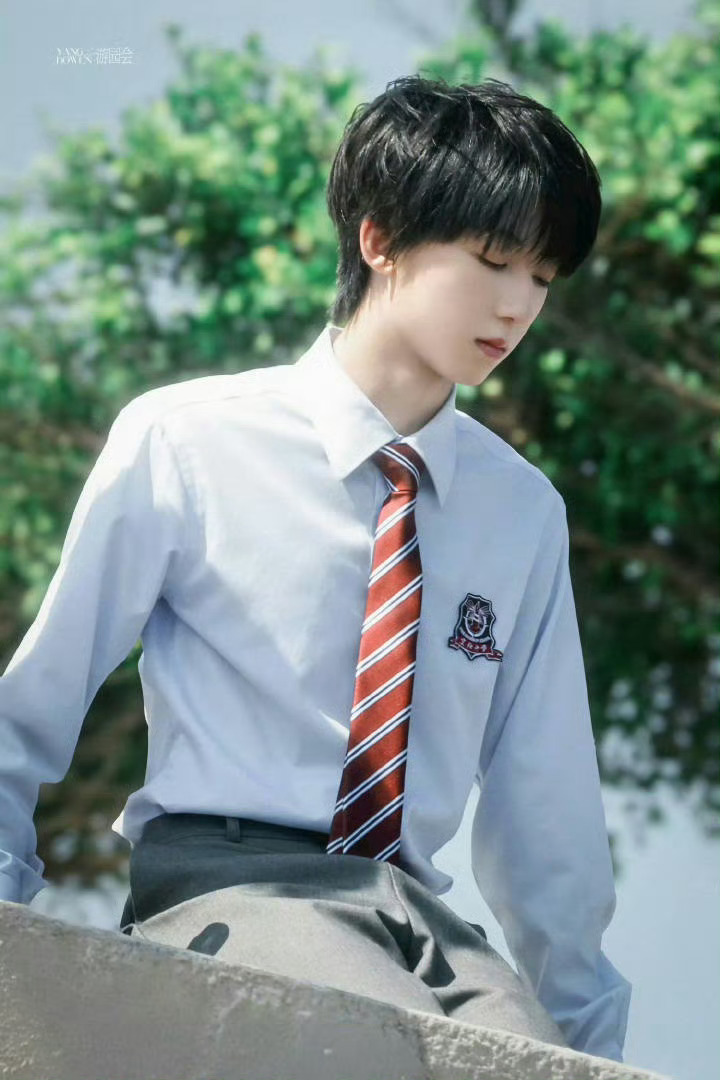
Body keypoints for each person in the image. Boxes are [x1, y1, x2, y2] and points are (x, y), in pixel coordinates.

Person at [0, 75, 632, 1060]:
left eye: (543, 277)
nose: (518, 306)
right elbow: (34, 704)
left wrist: (585, 1049)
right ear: (380, 240)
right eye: (493, 260)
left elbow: (546, 810)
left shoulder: (521, 512)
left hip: (414, 918)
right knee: (382, 1047)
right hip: (231, 885)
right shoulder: (187, 440)